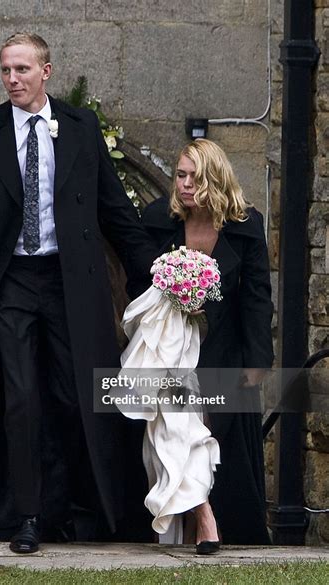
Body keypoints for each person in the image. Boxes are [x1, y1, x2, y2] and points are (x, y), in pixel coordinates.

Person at [0, 32, 157, 553]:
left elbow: (113, 208)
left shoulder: (81, 127)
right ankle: (27, 516)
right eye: (5, 71)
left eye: (21, 70)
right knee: (20, 397)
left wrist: (153, 272)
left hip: (69, 283)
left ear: (46, 71)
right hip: (10, 279)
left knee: (73, 394)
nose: (12, 79)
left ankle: (79, 512)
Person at [140, 139, 274, 545]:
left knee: (215, 433)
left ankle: (214, 518)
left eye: (193, 177)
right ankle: (202, 518)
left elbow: (256, 298)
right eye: (179, 175)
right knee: (179, 427)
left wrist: (257, 359)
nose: (183, 184)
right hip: (170, 348)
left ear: (214, 180)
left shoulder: (246, 228)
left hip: (224, 349)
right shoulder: (156, 221)